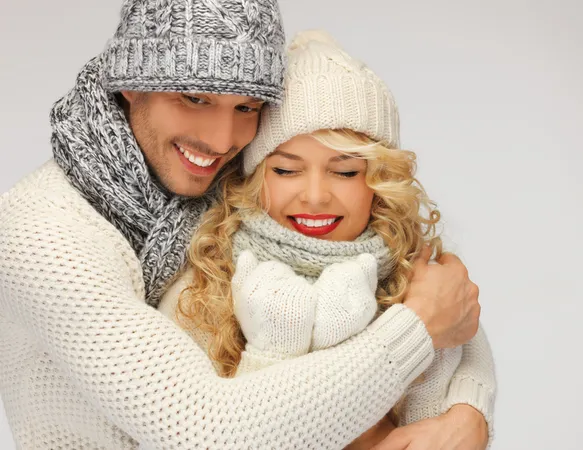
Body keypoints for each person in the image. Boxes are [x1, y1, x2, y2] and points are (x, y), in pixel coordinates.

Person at [0, 1, 481, 449]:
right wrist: (417, 330)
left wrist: (468, 409)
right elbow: (205, 428)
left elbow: (444, 304)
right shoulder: (41, 231)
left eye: (247, 106)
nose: (221, 138)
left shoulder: (229, 177)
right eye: (194, 97)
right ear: (131, 82)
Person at [159, 31, 496, 449]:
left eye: (345, 171)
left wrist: (468, 413)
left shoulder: (415, 269)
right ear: (252, 179)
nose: (316, 196)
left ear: (379, 181)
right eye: (285, 170)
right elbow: (203, 437)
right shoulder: (203, 288)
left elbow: (467, 356)